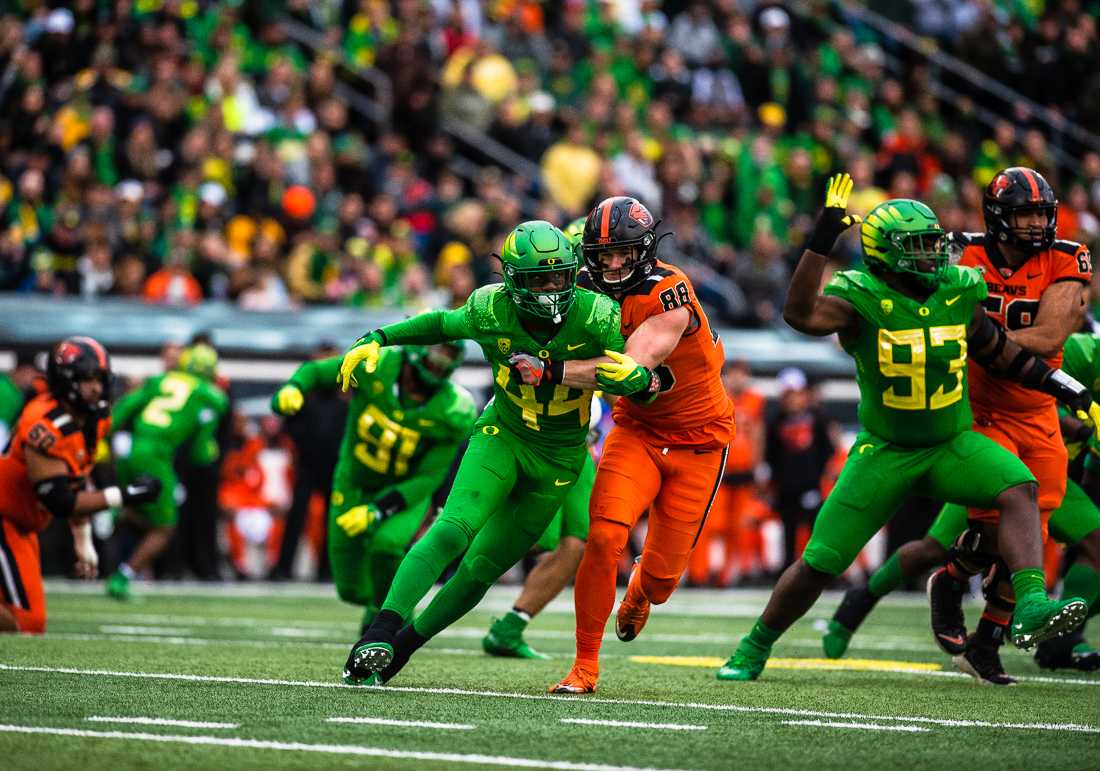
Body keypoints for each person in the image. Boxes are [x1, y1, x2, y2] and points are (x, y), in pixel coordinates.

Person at [716, 176, 1096, 682]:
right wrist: (819, 242)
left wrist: (1066, 387)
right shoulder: (860, 296)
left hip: (950, 442)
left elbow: (1000, 354)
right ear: (885, 254)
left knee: (1018, 488)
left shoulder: (957, 291)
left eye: (934, 243)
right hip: (887, 449)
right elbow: (799, 313)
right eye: (917, 246)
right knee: (819, 562)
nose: (933, 256)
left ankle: (1027, 603)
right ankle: (755, 644)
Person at [338, 220, 625, 685]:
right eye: (538, 278)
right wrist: (380, 337)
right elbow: (441, 324)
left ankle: (402, 650)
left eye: (558, 276)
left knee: (480, 570)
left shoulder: (596, 314)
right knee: (453, 529)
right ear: (511, 279)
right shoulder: (491, 308)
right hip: (504, 435)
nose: (551, 289)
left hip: (560, 457)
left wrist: (630, 382)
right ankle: (380, 631)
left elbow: (631, 369)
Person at [824, 330, 1100, 679]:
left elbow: (1094, 473)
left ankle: (1011, 643)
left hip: (1050, 473)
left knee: (1061, 548)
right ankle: (862, 598)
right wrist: (1073, 424)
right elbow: (1016, 393)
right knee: (934, 548)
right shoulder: (1077, 352)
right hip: (1000, 451)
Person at [548, 195, 735, 694]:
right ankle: (584, 665)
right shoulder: (581, 285)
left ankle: (641, 592)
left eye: (624, 254)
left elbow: (628, 369)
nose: (612, 265)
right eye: (602, 254)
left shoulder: (669, 290)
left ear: (646, 251)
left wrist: (552, 370)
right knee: (604, 536)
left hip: (700, 441)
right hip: (639, 432)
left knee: (661, 583)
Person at [271, 339, 475, 632]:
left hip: (406, 491)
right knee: (351, 589)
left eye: (449, 356)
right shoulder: (376, 365)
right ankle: (376, 603)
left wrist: (380, 509)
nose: (441, 362)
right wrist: (294, 386)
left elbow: (429, 477)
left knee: (387, 546)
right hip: (356, 481)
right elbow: (318, 371)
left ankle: (391, 615)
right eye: (436, 355)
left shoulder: (454, 408)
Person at [0, 337, 159, 632]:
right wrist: (125, 495)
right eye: (87, 379)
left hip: (22, 525)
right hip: (5, 520)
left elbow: (78, 475)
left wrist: (83, 539)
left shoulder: (94, 419)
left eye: (100, 378)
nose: (96, 387)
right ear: (65, 379)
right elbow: (60, 500)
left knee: (26, 618)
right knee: (27, 622)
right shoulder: (43, 425)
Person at [105, 343, 228, 599]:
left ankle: (118, 511)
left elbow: (124, 408)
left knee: (146, 513)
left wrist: (101, 437)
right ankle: (122, 578)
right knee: (165, 527)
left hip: (131, 450)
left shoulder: (161, 380)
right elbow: (200, 452)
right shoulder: (211, 396)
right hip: (156, 456)